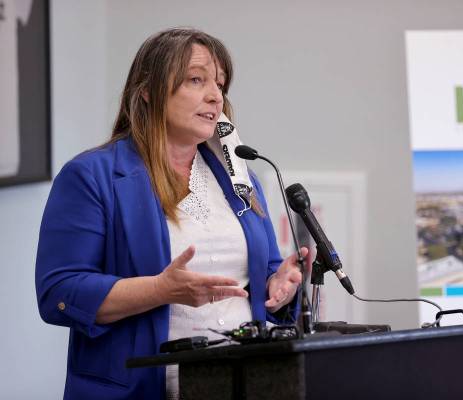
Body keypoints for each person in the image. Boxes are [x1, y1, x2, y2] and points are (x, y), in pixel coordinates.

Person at [35, 28, 307, 400]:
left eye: (220, 85)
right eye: (196, 80)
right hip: (147, 386)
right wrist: (160, 290)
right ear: (147, 89)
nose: (215, 96)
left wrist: (279, 285)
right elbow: (59, 293)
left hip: (248, 381)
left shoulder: (241, 176)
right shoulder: (91, 176)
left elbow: (262, 277)